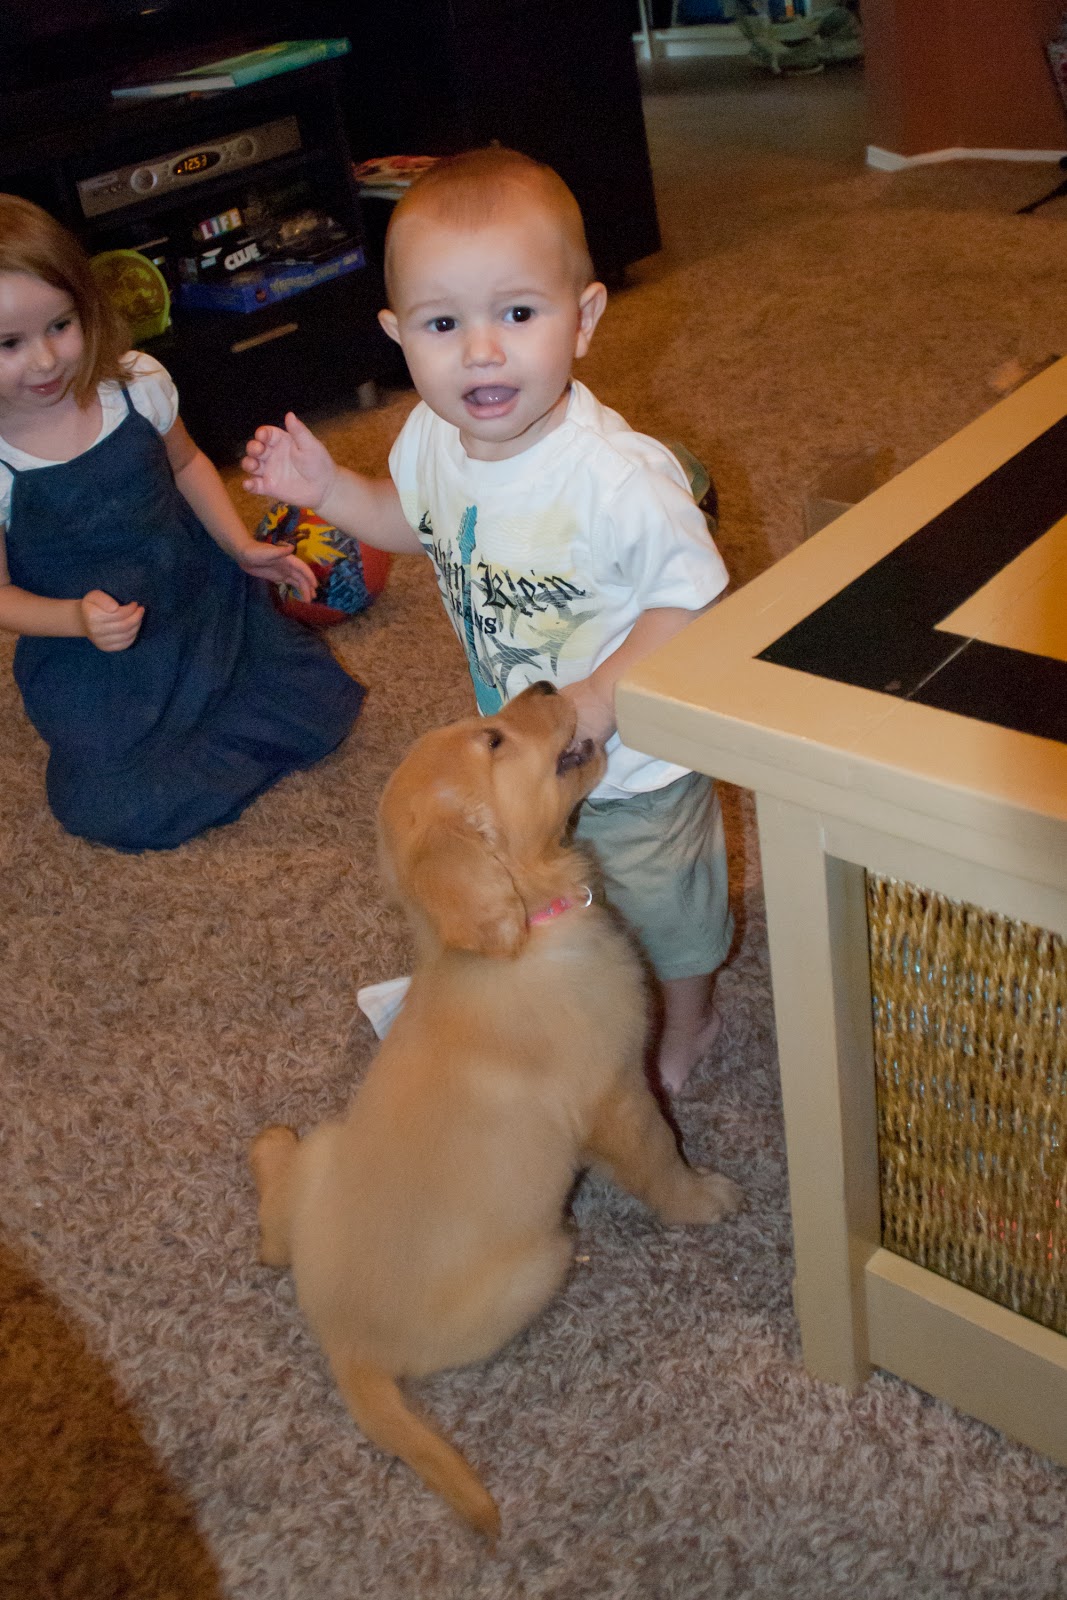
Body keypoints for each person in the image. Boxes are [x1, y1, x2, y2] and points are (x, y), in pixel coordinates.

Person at [241, 148, 732, 1094]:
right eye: (442, 324)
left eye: (516, 314)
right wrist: (333, 491)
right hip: (525, 751)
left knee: (665, 906)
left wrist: (599, 699)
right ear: (398, 335)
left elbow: (694, 598)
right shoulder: (432, 435)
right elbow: (411, 524)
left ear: (583, 319)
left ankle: (692, 1018)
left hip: (635, 759)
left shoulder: (616, 480)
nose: (480, 351)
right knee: (560, 887)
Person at [0, 193, 364, 852]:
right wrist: (76, 619)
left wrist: (240, 545)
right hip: (99, 655)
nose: (46, 361)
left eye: (60, 325)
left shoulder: (133, 383)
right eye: (9, 344)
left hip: (199, 598)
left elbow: (189, 463)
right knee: (109, 803)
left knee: (311, 697)